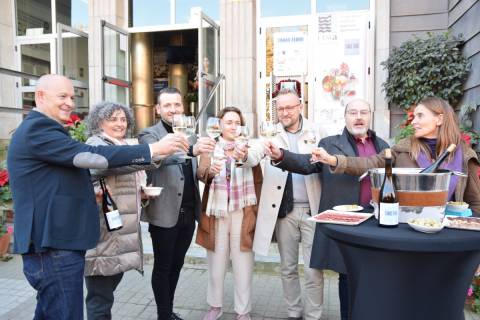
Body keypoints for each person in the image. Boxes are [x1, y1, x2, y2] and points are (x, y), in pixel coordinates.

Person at [7, 74, 189, 320]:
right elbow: (91, 157)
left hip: (56, 244)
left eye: (72, 97)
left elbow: (58, 179)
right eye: (62, 96)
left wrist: (88, 192)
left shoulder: (46, 129)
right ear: (40, 96)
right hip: (52, 245)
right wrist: (153, 149)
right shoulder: (38, 128)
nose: (70, 103)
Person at [266, 98, 389, 320]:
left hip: (375, 220)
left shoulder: (383, 146)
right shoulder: (330, 143)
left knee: (373, 275)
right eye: (353, 112)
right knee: (346, 276)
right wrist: (282, 156)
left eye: (363, 112)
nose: (358, 117)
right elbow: (306, 163)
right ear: (345, 117)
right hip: (345, 221)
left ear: (370, 116)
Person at [312, 96, 480, 215]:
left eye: (420, 116)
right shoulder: (403, 148)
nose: (413, 122)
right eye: (414, 116)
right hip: (406, 228)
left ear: (439, 119)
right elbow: (371, 163)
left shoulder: (464, 155)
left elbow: (475, 202)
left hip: (447, 232)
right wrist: (333, 160)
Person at [138, 87, 216, 320]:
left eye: (177, 105)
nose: (173, 109)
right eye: (168, 105)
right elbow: (158, 158)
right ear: (158, 109)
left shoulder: (191, 133)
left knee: (177, 264)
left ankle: (168, 310)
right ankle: (164, 315)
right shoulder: (148, 134)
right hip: (164, 210)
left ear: (183, 107)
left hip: (189, 212)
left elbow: (198, 173)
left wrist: (208, 166)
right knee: (163, 266)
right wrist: (192, 150)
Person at [84, 102, 165, 319]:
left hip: (119, 231)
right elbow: (112, 164)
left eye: (123, 119)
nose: (120, 124)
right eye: (113, 119)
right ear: (99, 122)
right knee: (100, 296)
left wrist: (140, 193)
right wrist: (156, 152)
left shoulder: (121, 145)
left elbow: (118, 177)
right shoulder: (96, 143)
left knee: (109, 287)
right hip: (103, 232)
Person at [253, 89, 325, 320]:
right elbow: (254, 153)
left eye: (289, 107)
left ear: (300, 107)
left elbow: (320, 164)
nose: (284, 112)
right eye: (280, 108)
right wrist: (244, 155)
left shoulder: (318, 131)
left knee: (314, 270)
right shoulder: (269, 133)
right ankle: (293, 313)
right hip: (285, 210)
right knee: (288, 268)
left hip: (313, 210)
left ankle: (313, 315)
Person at [196, 107, 263, 320]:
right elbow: (201, 172)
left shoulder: (250, 146)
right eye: (228, 122)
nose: (233, 126)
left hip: (243, 211)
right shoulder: (210, 145)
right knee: (216, 263)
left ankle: (243, 311)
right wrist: (210, 172)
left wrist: (242, 155)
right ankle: (215, 306)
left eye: (237, 122)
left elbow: (253, 162)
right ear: (220, 125)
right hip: (216, 212)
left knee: (243, 263)